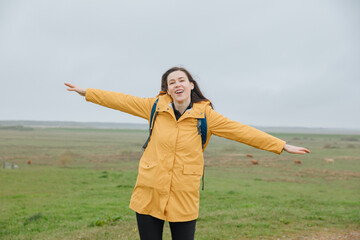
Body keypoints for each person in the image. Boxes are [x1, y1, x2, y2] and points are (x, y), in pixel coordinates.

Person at [65, 66, 310, 240]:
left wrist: (280, 145)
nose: (177, 84)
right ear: (168, 90)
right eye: (171, 82)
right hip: (149, 191)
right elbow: (120, 100)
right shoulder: (154, 108)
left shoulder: (207, 116)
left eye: (181, 80)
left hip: (183, 194)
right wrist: (86, 91)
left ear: (191, 85)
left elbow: (241, 131)